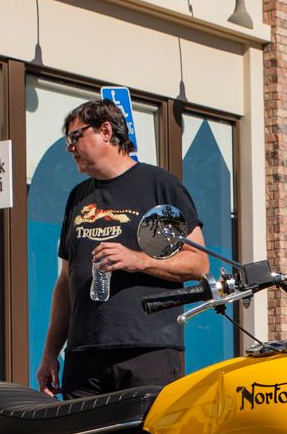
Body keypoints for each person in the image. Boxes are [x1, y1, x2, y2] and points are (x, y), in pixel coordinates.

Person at [36, 99, 209, 399]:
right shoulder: (78, 197)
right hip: (83, 355)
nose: (69, 148)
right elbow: (65, 282)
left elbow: (198, 263)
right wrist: (51, 352)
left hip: (146, 350)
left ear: (106, 131)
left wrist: (136, 260)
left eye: (75, 137)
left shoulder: (159, 185)